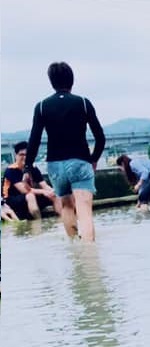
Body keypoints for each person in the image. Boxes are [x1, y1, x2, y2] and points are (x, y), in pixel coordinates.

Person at [25, 61, 105, 241]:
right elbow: (100, 137)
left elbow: (34, 139)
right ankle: (89, 258)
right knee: (84, 211)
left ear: (51, 81)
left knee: (67, 206)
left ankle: (75, 249)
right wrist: (93, 159)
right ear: (72, 79)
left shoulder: (42, 106)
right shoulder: (83, 103)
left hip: (55, 165)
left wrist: (28, 167)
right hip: (80, 161)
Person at [2, 142, 61, 220]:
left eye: (27, 155)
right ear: (16, 155)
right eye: (21, 155)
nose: (24, 157)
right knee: (30, 196)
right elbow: (24, 190)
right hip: (12, 200)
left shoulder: (33, 168)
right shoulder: (11, 170)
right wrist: (43, 191)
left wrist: (52, 191)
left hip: (30, 197)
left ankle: (61, 219)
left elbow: (44, 185)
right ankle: (38, 223)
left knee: (53, 194)